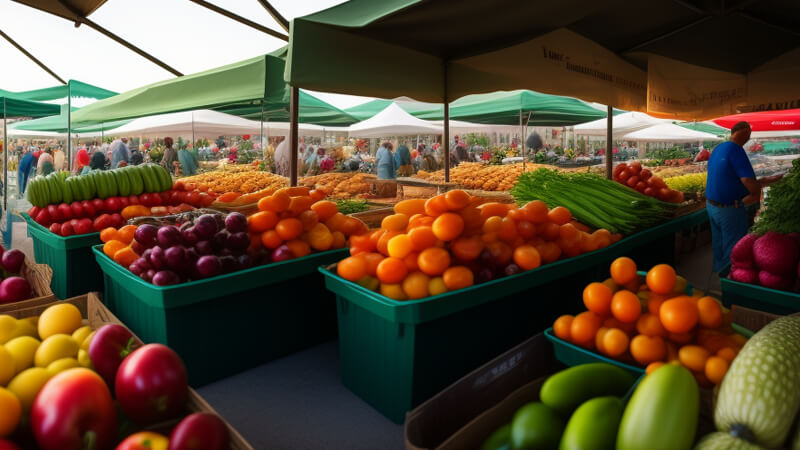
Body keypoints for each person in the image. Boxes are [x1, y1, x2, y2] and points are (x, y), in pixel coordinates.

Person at [706, 121, 783, 272]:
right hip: (729, 209)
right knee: (733, 248)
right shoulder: (736, 150)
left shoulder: (719, 148)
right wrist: (755, 194)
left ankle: (720, 274)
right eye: (748, 132)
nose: (749, 137)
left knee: (719, 243)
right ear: (741, 131)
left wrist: (765, 181)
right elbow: (747, 181)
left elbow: (731, 178)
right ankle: (731, 282)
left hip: (712, 206)